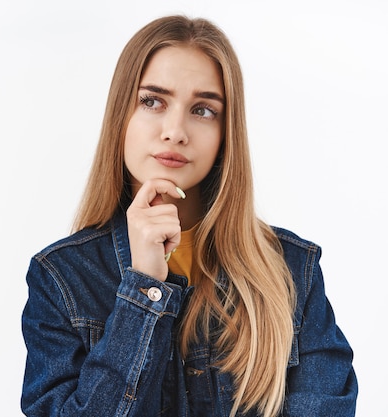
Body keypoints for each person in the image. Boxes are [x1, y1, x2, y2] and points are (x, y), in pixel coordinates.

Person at [20, 15, 357, 417]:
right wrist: (143, 288)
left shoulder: (291, 271)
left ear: (225, 133)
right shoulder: (61, 277)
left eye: (203, 110)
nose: (175, 130)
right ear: (121, 115)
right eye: (152, 101)